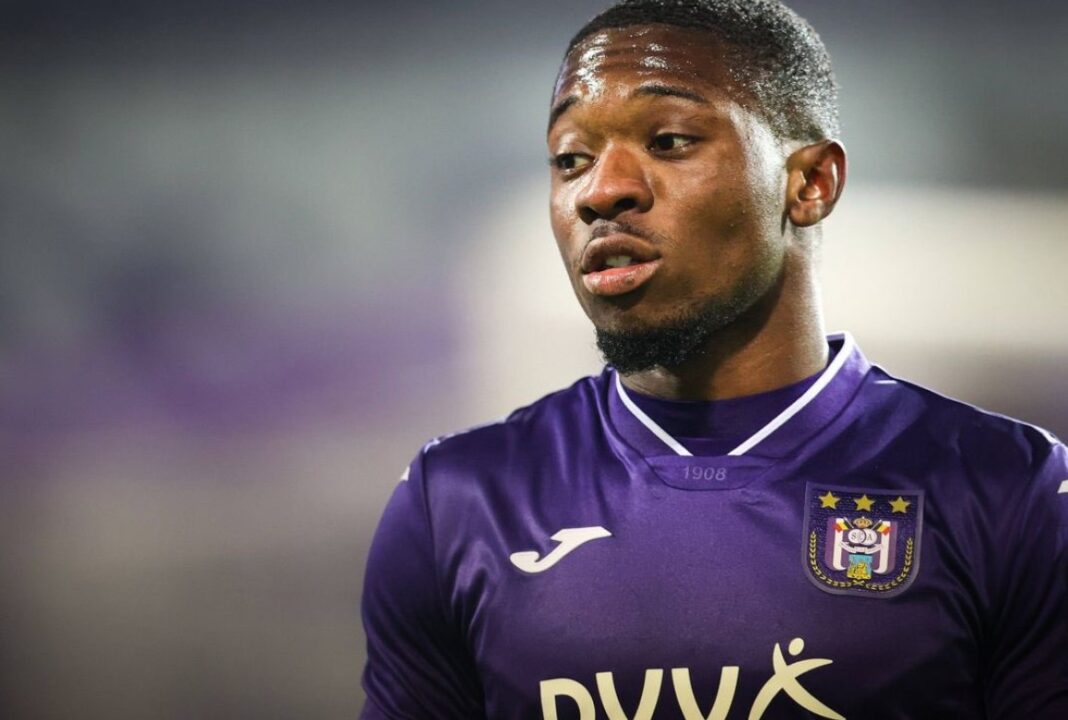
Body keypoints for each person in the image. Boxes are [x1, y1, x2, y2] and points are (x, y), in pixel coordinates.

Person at [359, 1, 1068, 718]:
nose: (601, 191)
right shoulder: (457, 501)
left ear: (810, 183)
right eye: (572, 158)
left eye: (668, 140)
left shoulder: (1008, 492)